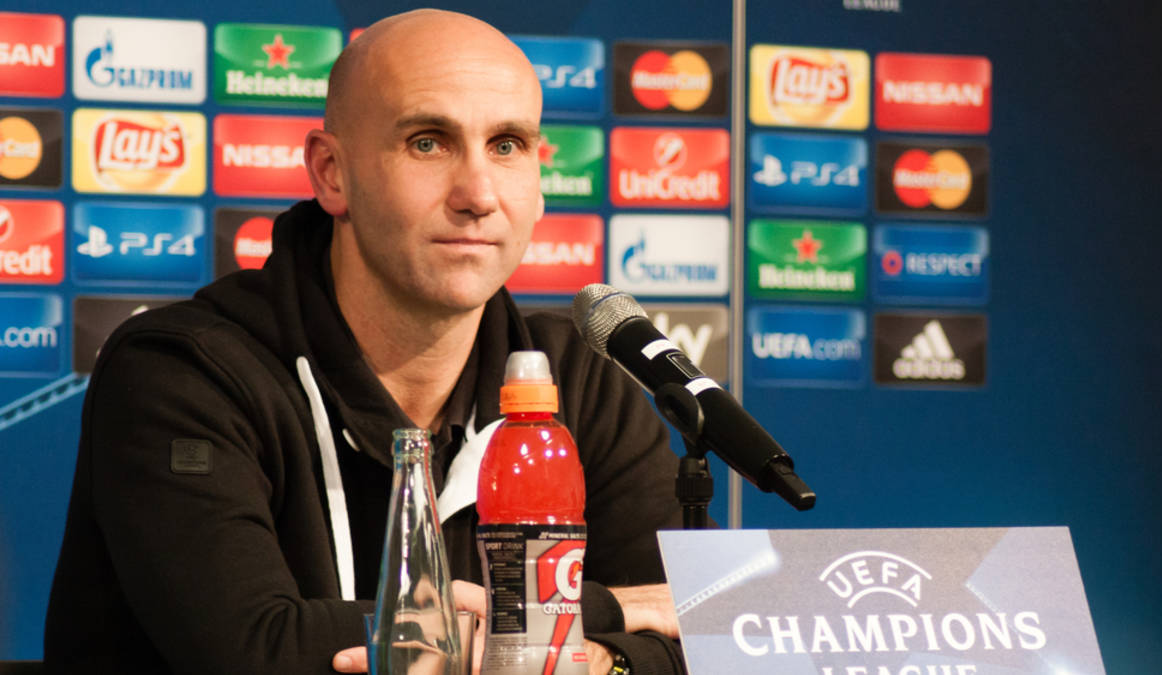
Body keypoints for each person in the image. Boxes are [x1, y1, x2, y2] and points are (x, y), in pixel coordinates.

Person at [44, 10, 687, 675]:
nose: (478, 194)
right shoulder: (182, 372)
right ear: (331, 173)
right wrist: (594, 613)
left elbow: (709, 624)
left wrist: (599, 660)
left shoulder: (575, 378)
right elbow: (257, 648)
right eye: (429, 143)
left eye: (507, 145)